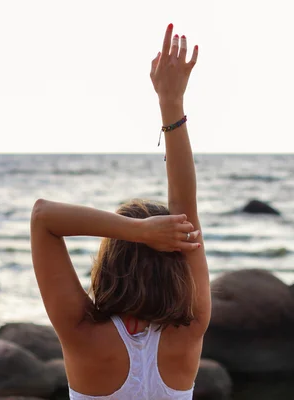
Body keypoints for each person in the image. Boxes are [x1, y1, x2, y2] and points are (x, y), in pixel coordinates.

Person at [30, 23, 208, 400]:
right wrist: (171, 103)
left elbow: (44, 218)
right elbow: (185, 204)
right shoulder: (190, 329)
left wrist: (140, 231)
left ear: (111, 262)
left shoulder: (82, 334)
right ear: (175, 266)